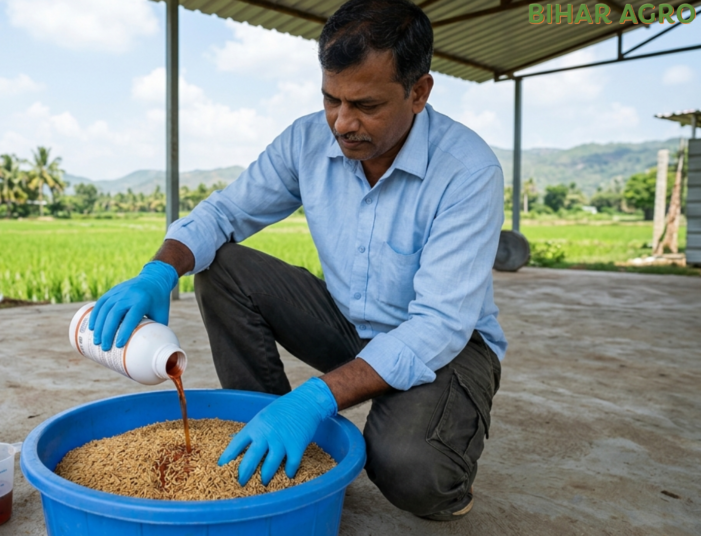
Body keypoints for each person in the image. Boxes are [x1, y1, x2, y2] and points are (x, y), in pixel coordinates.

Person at [88, 0, 504, 521]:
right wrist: (159, 270)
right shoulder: (308, 139)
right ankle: (269, 429)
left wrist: (315, 397)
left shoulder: (467, 171)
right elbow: (224, 213)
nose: (343, 122)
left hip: (447, 346)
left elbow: (439, 324)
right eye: (332, 99)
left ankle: (409, 459)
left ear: (419, 92)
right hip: (350, 322)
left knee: (412, 472)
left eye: (366, 105)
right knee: (220, 264)